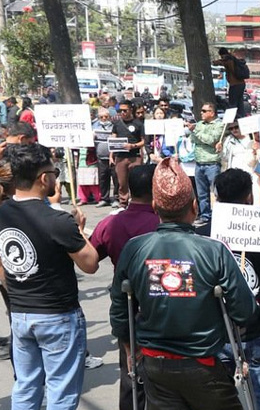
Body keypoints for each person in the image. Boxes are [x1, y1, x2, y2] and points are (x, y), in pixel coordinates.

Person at [109, 158, 257, 410]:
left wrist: (127, 345)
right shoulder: (214, 250)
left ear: (154, 207)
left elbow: (120, 308)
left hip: (155, 364)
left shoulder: (134, 248)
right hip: (203, 364)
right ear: (195, 207)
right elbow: (244, 311)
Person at [0, 143, 100, 409]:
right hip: (57, 315)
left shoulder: (3, 212)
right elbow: (90, 263)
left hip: (21, 313)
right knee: (61, 391)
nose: (55, 177)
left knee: (26, 386)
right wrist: (79, 230)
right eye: (54, 172)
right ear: (44, 178)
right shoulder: (57, 220)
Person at [197, 169, 260, 410]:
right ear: (249, 197)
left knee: (219, 401)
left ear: (217, 198)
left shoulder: (201, 235)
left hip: (222, 330)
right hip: (247, 329)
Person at [90, 164, 158, 409]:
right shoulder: (162, 223)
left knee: (131, 375)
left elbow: (90, 259)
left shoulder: (110, 223)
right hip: (160, 305)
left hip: (128, 308)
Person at [189, 102, 225, 225]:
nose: (201, 113)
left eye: (204, 111)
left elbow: (211, 139)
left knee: (216, 191)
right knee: (201, 193)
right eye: (201, 110)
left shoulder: (219, 125)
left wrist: (197, 132)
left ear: (212, 113)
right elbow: (193, 139)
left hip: (212, 163)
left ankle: (219, 215)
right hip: (199, 163)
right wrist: (198, 134)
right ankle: (205, 215)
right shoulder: (199, 124)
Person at [111, 99, 145, 208]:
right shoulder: (117, 123)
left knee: (136, 182)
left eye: (125, 110)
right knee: (122, 183)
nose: (122, 113)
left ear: (130, 110)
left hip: (135, 157)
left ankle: (137, 203)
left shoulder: (138, 123)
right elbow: (113, 139)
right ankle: (123, 204)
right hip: (120, 157)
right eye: (120, 110)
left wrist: (133, 146)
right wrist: (111, 155)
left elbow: (143, 141)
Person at [93, 107, 120, 207]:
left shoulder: (114, 126)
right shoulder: (94, 126)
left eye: (106, 116)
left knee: (116, 178)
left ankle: (116, 198)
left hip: (113, 157)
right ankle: (104, 198)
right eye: (101, 117)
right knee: (103, 178)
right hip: (101, 157)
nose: (104, 118)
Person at [212, 47, 248, 117]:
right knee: (240, 103)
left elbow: (219, 62)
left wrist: (214, 62)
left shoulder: (228, 60)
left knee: (232, 103)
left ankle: (232, 118)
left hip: (235, 84)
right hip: (241, 83)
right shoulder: (233, 58)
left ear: (222, 54)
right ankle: (241, 117)